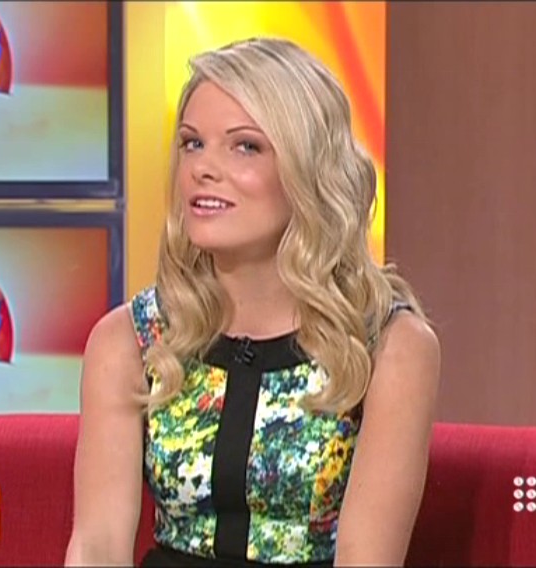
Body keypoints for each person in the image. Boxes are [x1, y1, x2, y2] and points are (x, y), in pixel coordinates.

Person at [66, 37, 440, 567]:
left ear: (308, 170)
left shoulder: (387, 348)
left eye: (244, 146)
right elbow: (97, 546)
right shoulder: (131, 340)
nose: (202, 168)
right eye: (192, 143)